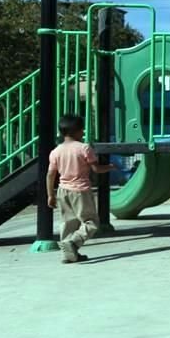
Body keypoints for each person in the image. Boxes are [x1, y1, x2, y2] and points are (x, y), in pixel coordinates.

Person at [47, 113, 113, 264]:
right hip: (81, 190)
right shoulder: (84, 148)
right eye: (82, 129)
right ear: (76, 131)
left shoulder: (56, 151)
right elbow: (96, 169)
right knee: (91, 222)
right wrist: (109, 167)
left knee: (68, 222)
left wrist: (50, 194)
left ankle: (68, 254)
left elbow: (50, 174)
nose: (83, 132)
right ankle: (74, 243)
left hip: (63, 191)